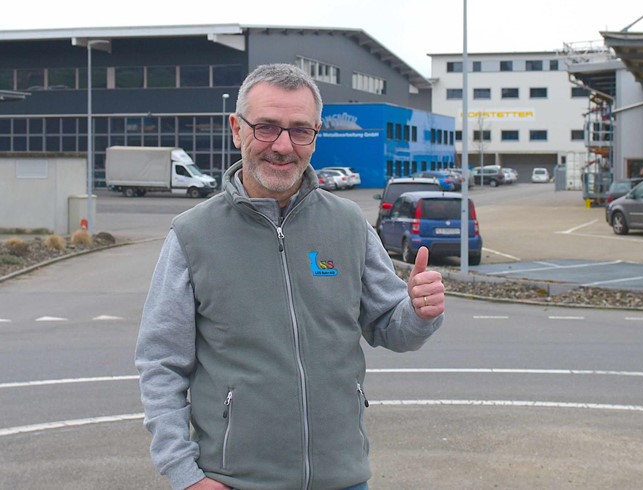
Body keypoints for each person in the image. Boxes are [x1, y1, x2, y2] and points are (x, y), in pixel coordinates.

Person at [135, 63, 445, 490]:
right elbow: (161, 363)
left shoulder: (349, 224)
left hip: (344, 478)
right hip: (234, 482)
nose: (283, 145)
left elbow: (393, 328)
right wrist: (185, 475)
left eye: (300, 130)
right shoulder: (192, 235)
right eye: (266, 127)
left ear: (316, 134)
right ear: (236, 129)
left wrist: (420, 312)